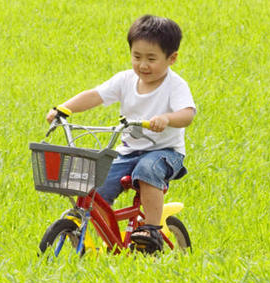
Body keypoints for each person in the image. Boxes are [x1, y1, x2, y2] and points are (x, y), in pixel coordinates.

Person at [46, 14, 196, 252]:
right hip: (128, 152)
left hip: (165, 153)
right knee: (95, 188)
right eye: (137, 57)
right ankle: (112, 243)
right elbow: (95, 94)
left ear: (172, 58)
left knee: (147, 170)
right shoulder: (125, 80)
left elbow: (187, 113)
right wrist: (64, 109)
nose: (143, 65)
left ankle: (152, 229)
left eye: (151, 59)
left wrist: (166, 118)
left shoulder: (175, 85)